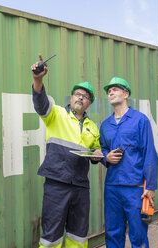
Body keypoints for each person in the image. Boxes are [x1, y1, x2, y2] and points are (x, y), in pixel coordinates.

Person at [31, 55, 103, 248]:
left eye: (86, 96)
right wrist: (38, 79)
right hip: (57, 184)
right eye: (78, 94)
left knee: (78, 235)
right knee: (51, 236)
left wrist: (97, 155)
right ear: (71, 98)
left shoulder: (92, 127)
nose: (81, 97)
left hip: (80, 186)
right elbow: (40, 104)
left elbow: (96, 150)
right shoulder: (56, 114)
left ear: (89, 103)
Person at [99, 77, 158, 248]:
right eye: (109, 91)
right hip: (112, 187)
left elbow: (149, 153)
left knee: (138, 234)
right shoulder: (105, 125)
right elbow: (102, 149)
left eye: (115, 89)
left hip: (135, 187)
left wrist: (151, 186)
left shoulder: (140, 120)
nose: (111, 92)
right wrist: (106, 157)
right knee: (112, 233)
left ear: (126, 94)